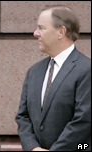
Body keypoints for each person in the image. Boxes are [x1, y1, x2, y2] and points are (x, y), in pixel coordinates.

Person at [15, 5, 91, 151]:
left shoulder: (87, 70)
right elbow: (22, 117)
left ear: (61, 32)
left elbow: (84, 120)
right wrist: (33, 148)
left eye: (41, 28)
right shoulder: (34, 72)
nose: (35, 33)